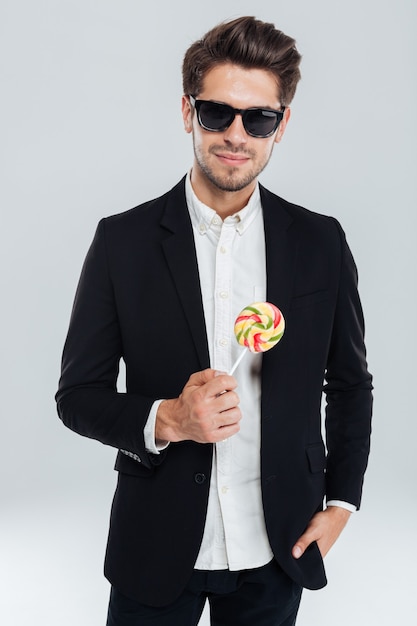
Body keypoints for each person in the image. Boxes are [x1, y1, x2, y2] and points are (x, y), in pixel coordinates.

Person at [56, 16, 373, 626]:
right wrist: (166, 419)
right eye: (216, 113)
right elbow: (77, 397)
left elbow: (351, 383)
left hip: (278, 547)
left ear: (281, 126)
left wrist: (342, 503)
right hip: (155, 545)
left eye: (259, 118)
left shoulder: (320, 242)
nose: (236, 135)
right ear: (186, 112)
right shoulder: (122, 242)